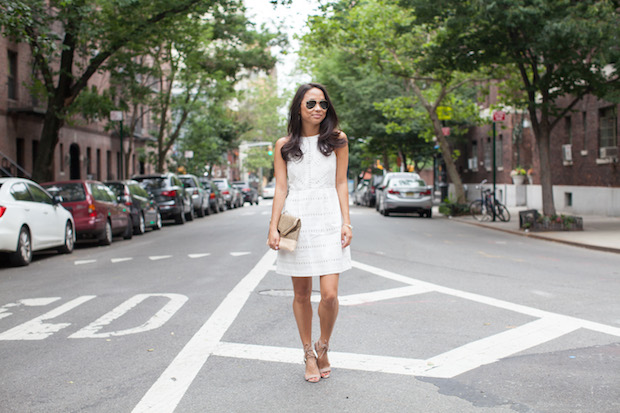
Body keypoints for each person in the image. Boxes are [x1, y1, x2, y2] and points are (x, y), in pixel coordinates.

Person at [267, 83, 352, 383]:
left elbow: (341, 183)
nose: (318, 108)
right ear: (298, 109)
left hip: (329, 216)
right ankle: (307, 353)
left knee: (329, 294)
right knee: (301, 294)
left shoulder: (338, 140)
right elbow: (280, 188)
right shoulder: (284, 145)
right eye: (311, 103)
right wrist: (273, 227)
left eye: (323, 104)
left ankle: (323, 345)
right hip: (293, 219)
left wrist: (346, 221)